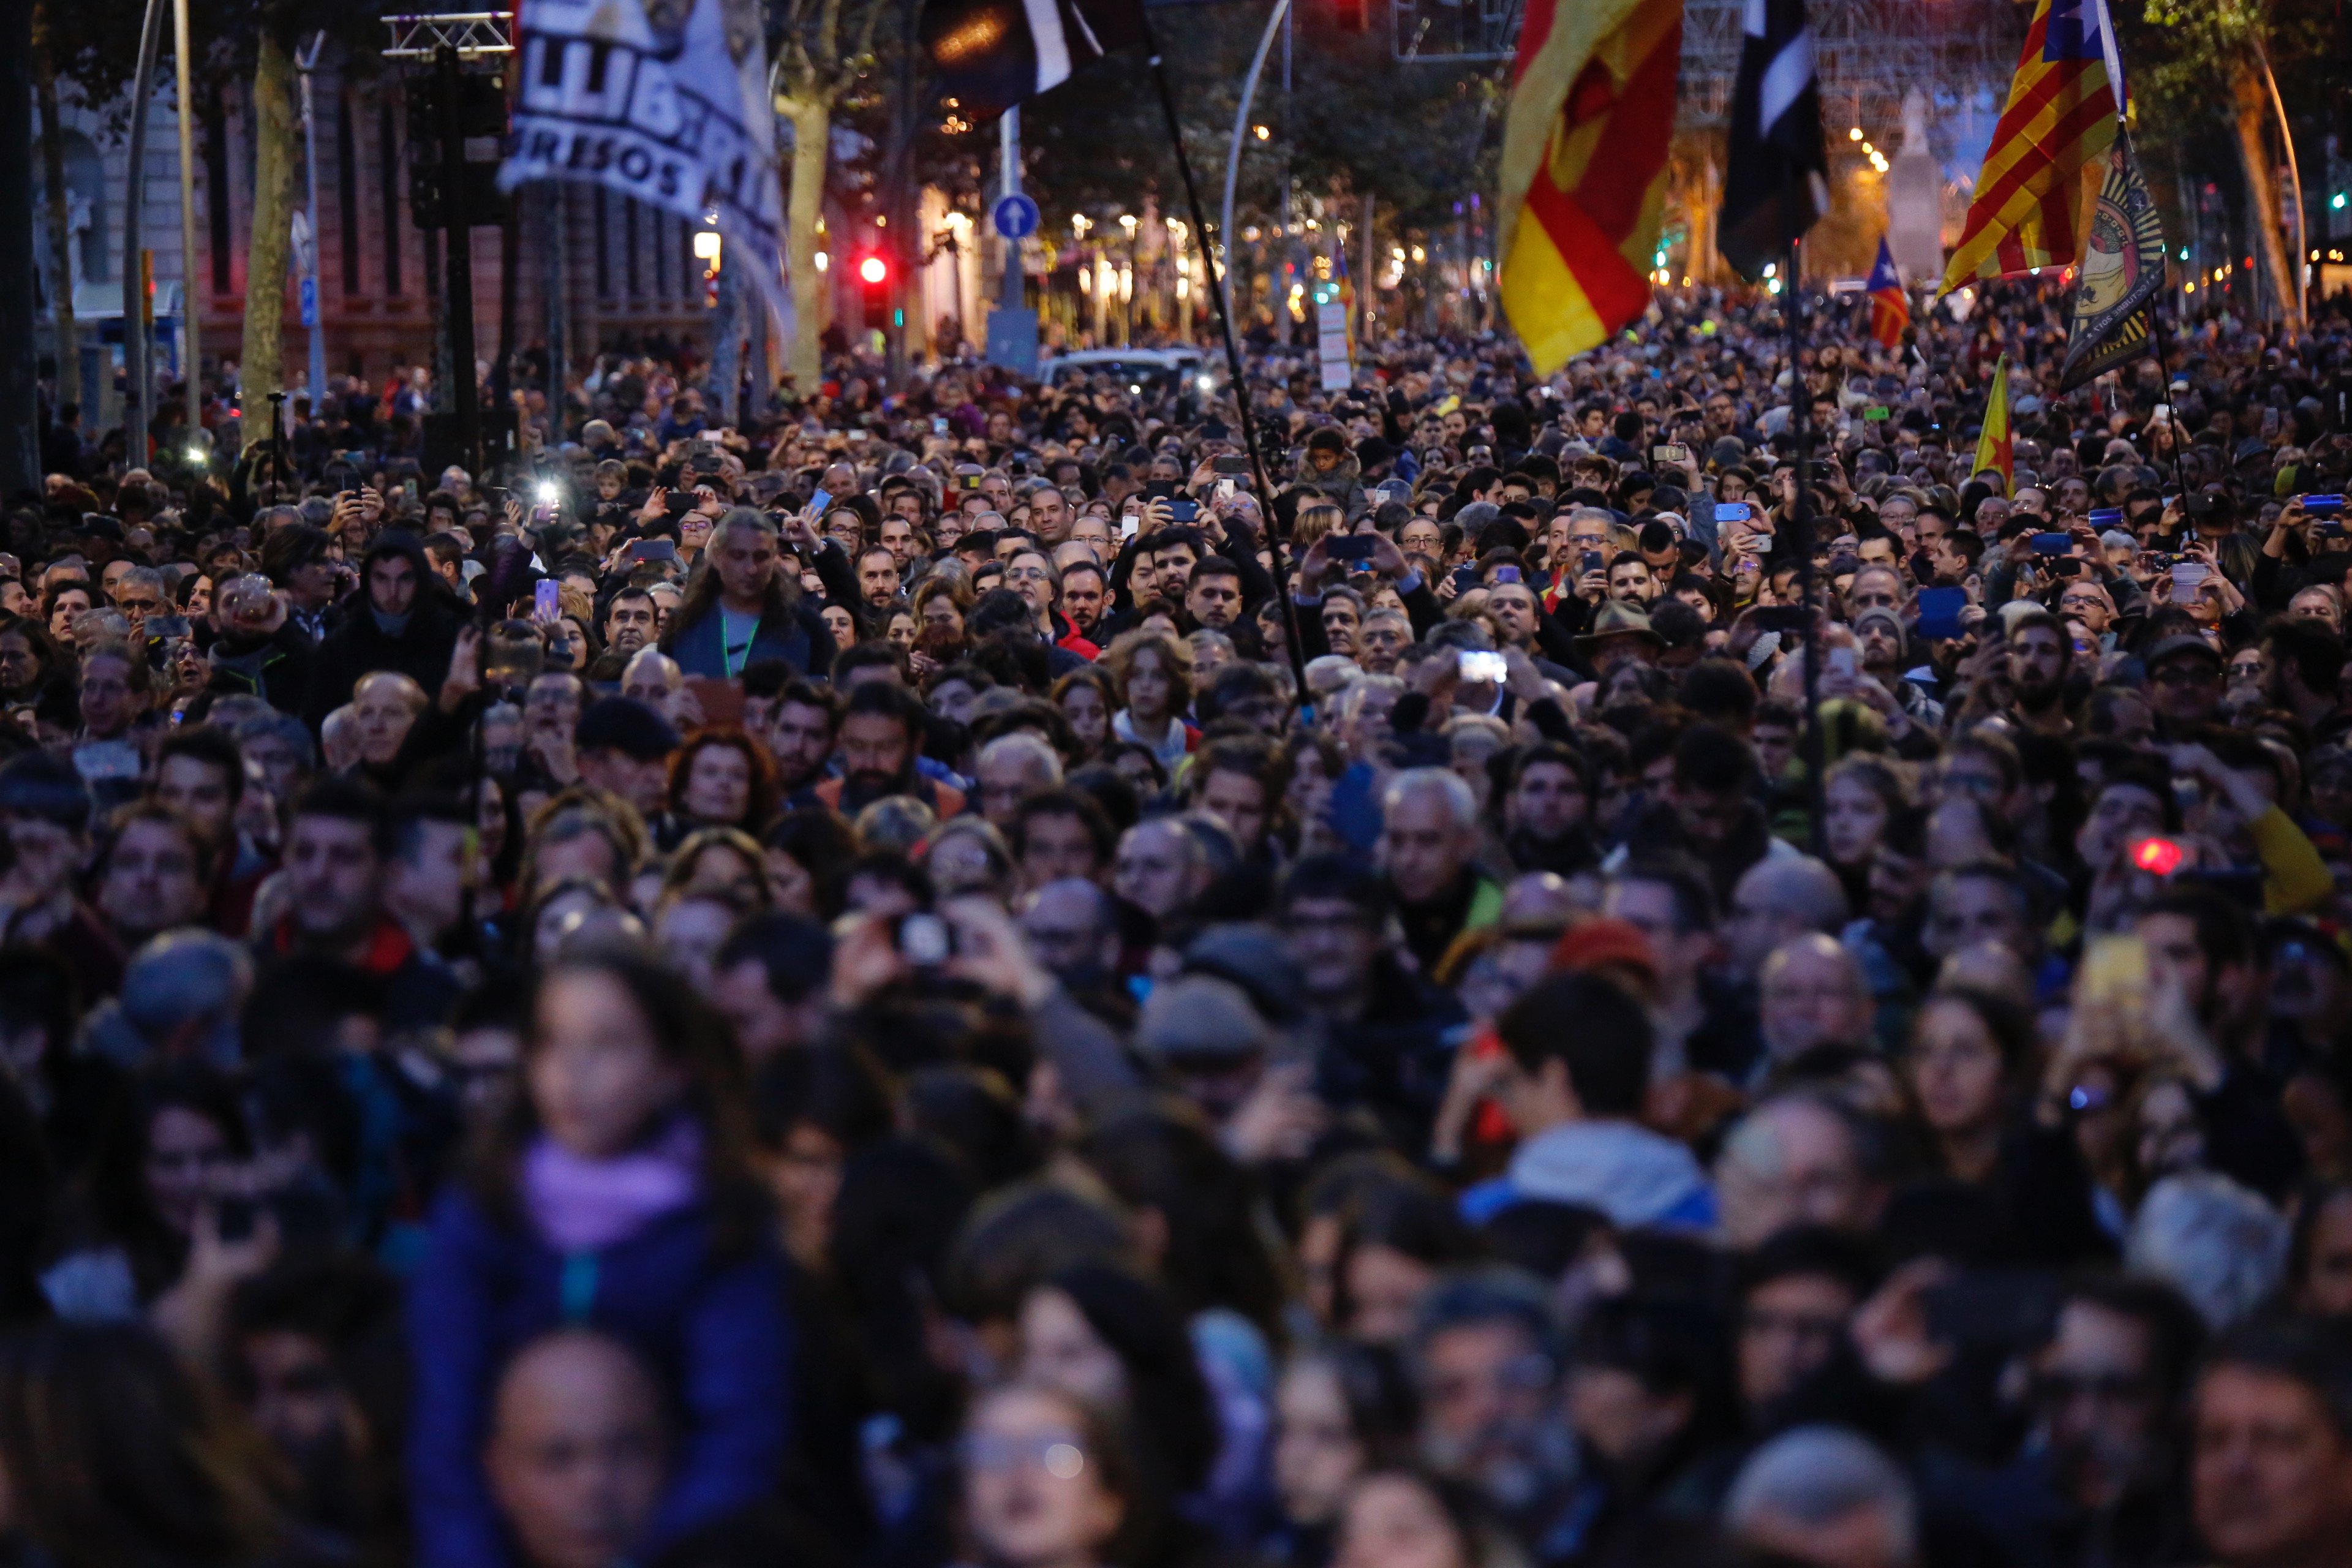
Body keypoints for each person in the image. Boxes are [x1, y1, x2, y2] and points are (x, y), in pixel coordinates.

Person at [406, 950, 791, 1568]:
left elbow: (738, 1435)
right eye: (553, 1043)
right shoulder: (482, 1209)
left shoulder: (719, 1220)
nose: (573, 1071)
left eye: (608, 1044)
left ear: (671, 1070)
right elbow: (447, 1423)